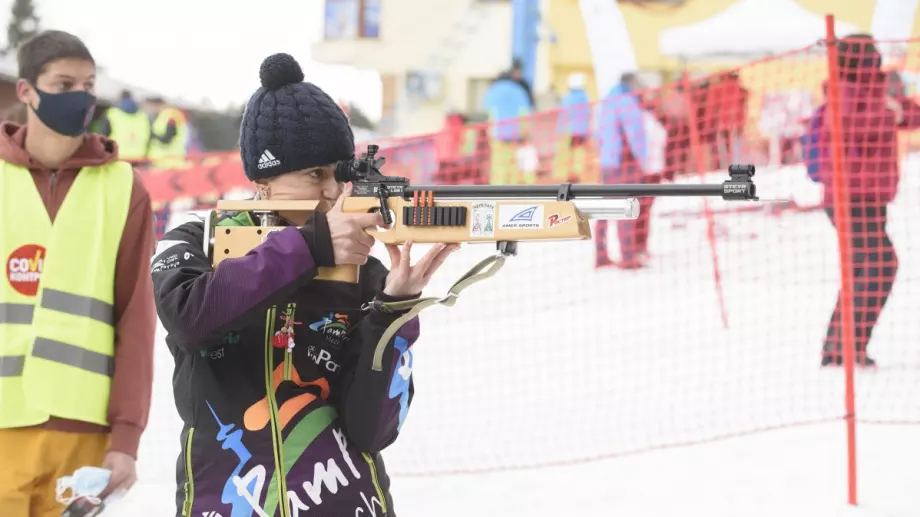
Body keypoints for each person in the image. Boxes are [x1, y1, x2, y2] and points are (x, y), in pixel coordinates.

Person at [151, 53, 457, 517]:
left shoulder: (362, 271)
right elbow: (191, 318)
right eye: (314, 174)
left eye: (341, 173)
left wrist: (396, 308)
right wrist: (309, 247)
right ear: (263, 178)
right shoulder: (198, 240)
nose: (334, 191)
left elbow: (374, 430)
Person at [0, 30, 156, 516]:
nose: (79, 97)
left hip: (82, 438)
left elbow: (137, 321)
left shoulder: (124, 188)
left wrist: (126, 438)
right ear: (26, 91)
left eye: (87, 86)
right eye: (64, 83)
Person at [806, 33, 920, 367]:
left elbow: (911, 118)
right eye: (872, 54)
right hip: (849, 196)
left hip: (871, 194)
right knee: (882, 264)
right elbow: (856, 125)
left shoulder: (878, 89)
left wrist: (899, 96)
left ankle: (839, 348)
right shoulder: (842, 92)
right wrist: (890, 110)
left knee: (862, 270)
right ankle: (846, 346)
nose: (877, 59)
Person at [594, 72, 652, 269]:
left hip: (607, 161)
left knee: (604, 209)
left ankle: (600, 255)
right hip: (625, 162)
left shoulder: (606, 101)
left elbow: (598, 133)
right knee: (626, 208)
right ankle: (627, 255)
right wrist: (643, 162)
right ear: (631, 83)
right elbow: (636, 135)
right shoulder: (627, 102)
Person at [96, 90, 151, 165]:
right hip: (138, 159)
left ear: (120, 98)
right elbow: (149, 137)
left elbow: (101, 138)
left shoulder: (111, 114)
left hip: (117, 158)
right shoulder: (143, 116)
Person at [143, 96, 189, 169]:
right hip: (162, 162)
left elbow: (167, 138)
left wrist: (152, 135)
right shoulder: (163, 116)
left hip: (169, 162)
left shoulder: (171, 115)